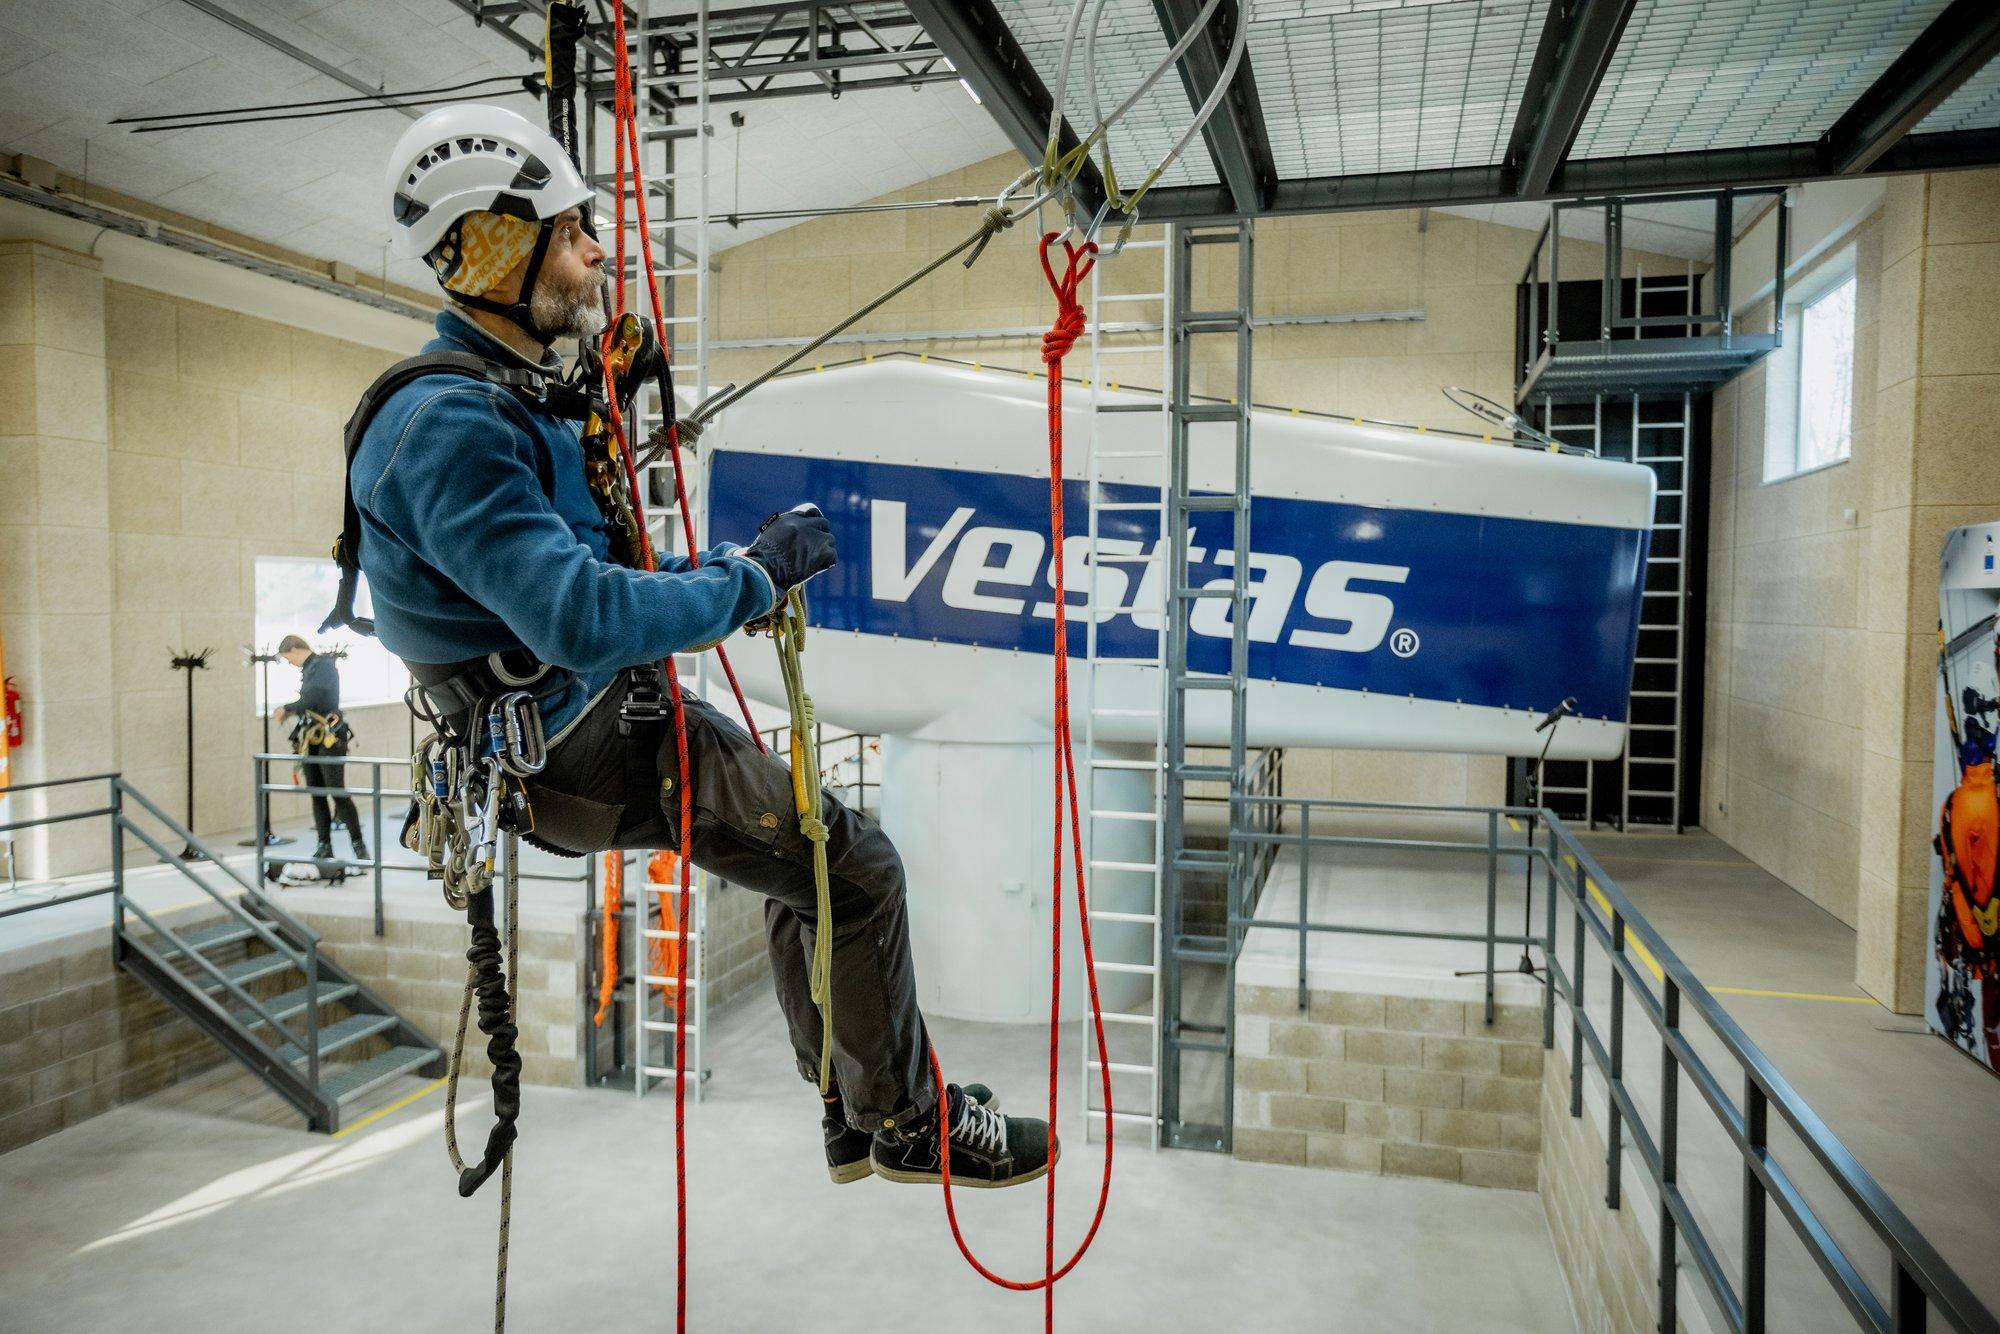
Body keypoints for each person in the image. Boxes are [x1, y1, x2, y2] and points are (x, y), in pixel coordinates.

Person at [339, 104, 1050, 1188]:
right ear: (493, 243)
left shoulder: (511, 401)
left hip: (594, 710)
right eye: (572, 233)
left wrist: (714, 559)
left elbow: (596, 580)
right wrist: (750, 577)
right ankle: (903, 1122)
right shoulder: (445, 428)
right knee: (854, 868)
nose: (596, 254)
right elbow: (578, 614)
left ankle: (852, 1107)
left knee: (813, 857)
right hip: (574, 747)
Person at [272, 634, 368, 865]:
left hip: (329, 738)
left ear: (295, 649)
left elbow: (313, 698)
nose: (289, 663)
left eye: (288, 659)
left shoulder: (323, 665)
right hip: (311, 740)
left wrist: (287, 708)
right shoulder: (309, 669)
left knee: (337, 792)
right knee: (317, 794)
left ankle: (358, 845)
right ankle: (323, 845)